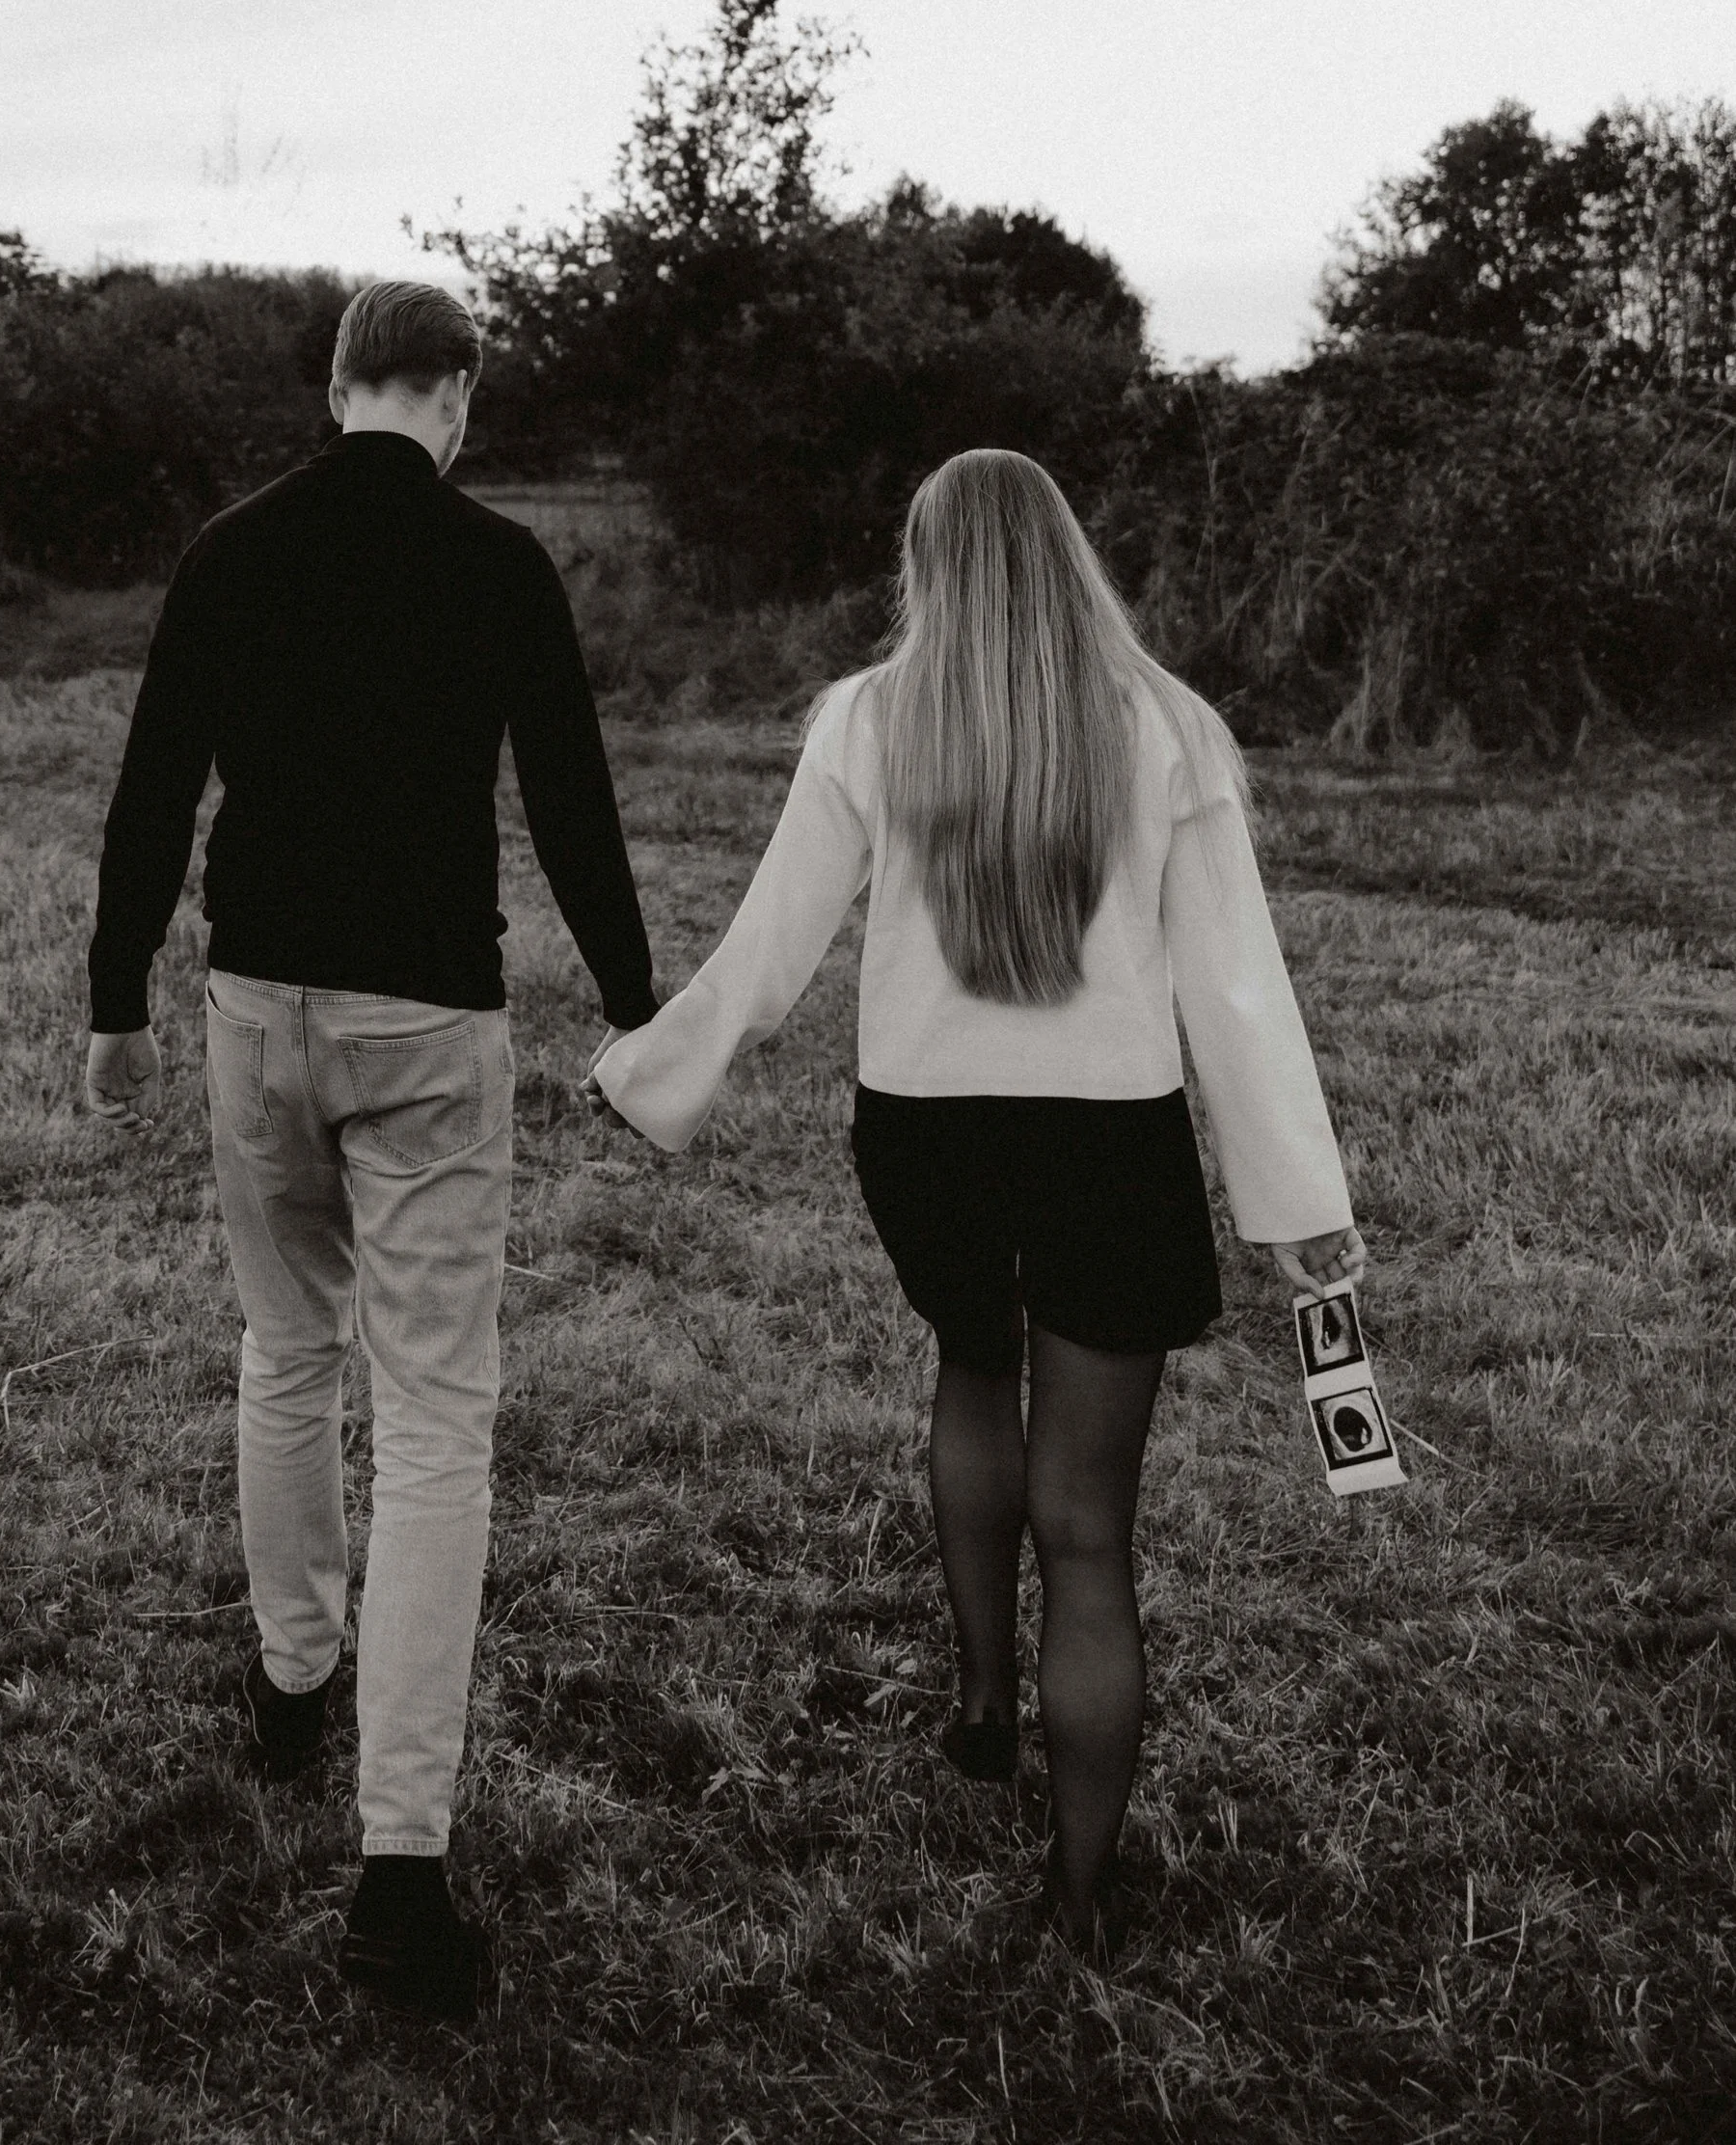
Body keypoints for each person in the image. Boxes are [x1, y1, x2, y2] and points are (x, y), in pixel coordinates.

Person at [593, 448, 1364, 1960]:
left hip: (926, 1139)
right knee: (1091, 1531)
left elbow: (772, 942)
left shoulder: (868, 718)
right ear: (1068, 556)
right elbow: (1237, 993)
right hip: (1106, 1148)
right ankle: (1078, 1888)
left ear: (928, 566)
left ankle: (983, 1701)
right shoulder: (1168, 728)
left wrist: (651, 1071)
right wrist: (1299, 1207)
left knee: (969, 1365)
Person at [84, 277, 658, 2021]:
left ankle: (288, 1679)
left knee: (284, 1346)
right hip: (428, 1028)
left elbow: (154, 783)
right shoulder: (497, 567)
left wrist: (117, 1003)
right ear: (458, 397)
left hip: (259, 1010)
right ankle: (400, 1870)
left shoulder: (230, 549)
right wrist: (637, 1007)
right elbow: (568, 796)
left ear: (338, 388)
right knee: (433, 1417)